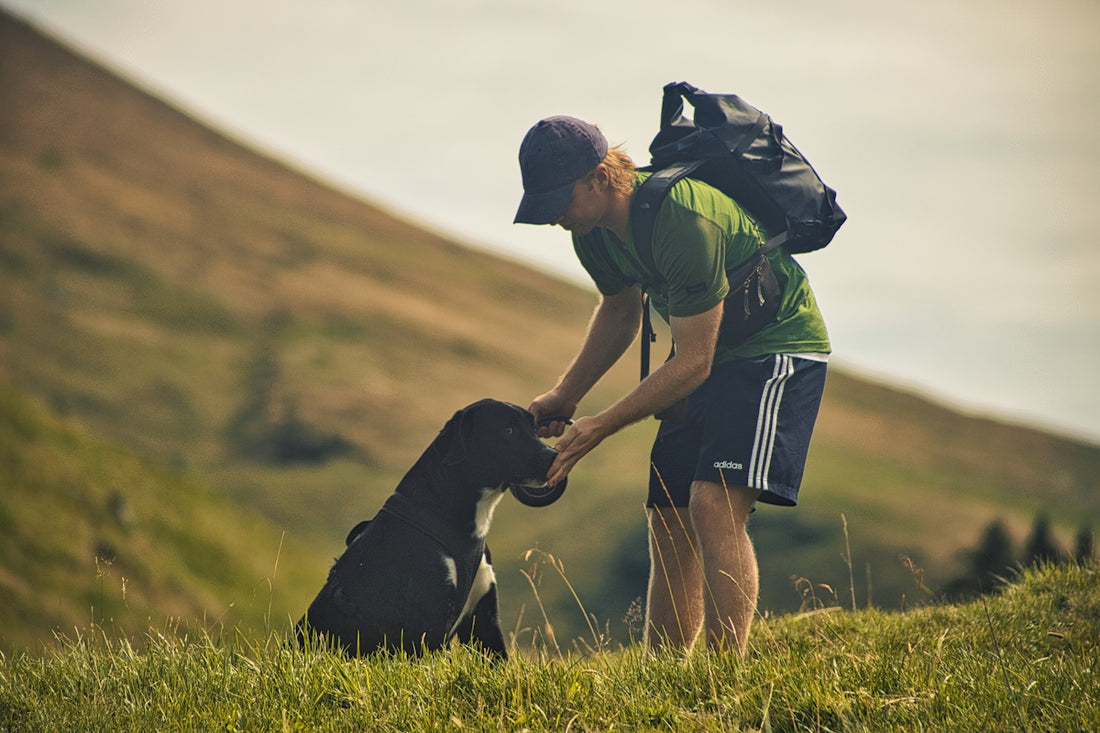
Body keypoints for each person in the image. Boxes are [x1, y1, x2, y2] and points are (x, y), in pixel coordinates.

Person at [514, 115, 830, 655]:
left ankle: (722, 678)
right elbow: (619, 313)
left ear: (598, 177)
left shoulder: (681, 218)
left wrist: (600, 426)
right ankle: (664, 675)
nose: (554, 218)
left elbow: (693, 364)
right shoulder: (590, 233)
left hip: (773, 349)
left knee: (712, 502)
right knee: (667, 511)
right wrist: (566, 396)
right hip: (706, 354)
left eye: (558, 200)